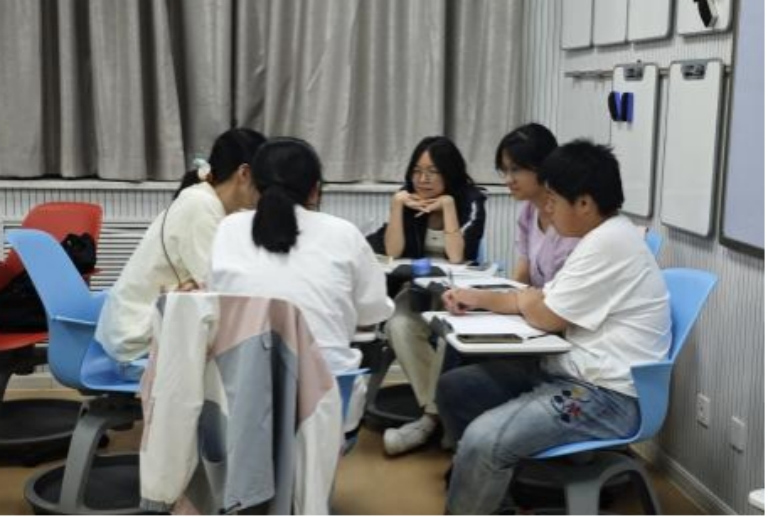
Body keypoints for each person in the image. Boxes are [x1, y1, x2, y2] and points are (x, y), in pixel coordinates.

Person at [437, 140, 672, 515]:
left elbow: (544, 313)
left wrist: (530, 302)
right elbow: (533, 299)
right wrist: (478, 297)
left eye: (553, 201)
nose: (546, 209)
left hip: (607, 396)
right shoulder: (597, 237)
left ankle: (482, 485)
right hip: (568, 371)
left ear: (584, 203)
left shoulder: (609, 243)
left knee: (483, 440)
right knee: (455, 389)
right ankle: (497, 501)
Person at [209, 136, 393, 383]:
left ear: (253, 185)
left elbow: (215, 301)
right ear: (315, 190)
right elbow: (373, 312)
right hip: (327, 390)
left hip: (243, 390)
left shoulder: (228, 229)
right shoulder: (343, 233)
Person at [96, 128, 267, 370]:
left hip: (140, 326)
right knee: (253, 347)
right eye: (265, 181)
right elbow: (222, 291)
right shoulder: (201, 207)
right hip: (136, 342)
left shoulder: (204, 201)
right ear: (245, 173)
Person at [376, 136, 487, 456]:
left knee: (447, 329)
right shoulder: (408, 199)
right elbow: (393, 251)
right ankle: (439, 415)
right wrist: (397, 205)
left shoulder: (471, 200)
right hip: (417, 289)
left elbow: (457, 256)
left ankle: (429, 420)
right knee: (398, 325)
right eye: (417, 171)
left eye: (432, 172)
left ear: (449, 173)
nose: (422, 179)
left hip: (458, 292)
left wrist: (448, 206)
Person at [497, 123, 579, 288]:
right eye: (504, 171)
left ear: (543, 166)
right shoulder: (528, 211)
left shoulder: (570, 218)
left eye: (516, 169)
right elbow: (523, 271)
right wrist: (506, 295)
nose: (508, 180)